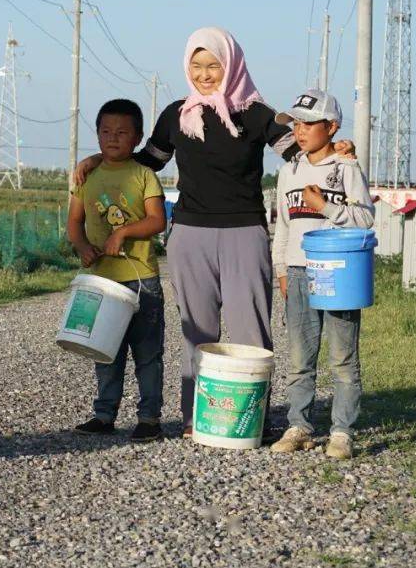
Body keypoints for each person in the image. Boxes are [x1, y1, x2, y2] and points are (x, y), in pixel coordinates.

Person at [75, 27, 354, 437]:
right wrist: (102, 156)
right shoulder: (176, 114)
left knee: (250, 330)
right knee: (197, 329)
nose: (205, 74)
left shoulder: (256, 113)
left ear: (232, 64)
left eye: (214, 65)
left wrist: (337, 150)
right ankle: (196, 418)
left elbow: (300, 152)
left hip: (244, 231)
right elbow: (147, 161)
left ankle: (250, 417)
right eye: (197, 65)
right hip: (190, 234)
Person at [269, 90, 374, 460]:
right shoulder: (288, 170)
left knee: (343, 358)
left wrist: (324, 206)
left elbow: (365, 218)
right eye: (296, 123)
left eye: (309, 123)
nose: (300, 130)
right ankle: (299, 425)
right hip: (298, 271)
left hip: (339, 271)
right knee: (300, 356)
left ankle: (342, 432)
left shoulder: (346, 167)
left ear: (331, 127)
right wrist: (281, 268)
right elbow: (282, 226)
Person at [68, 99, 168, 442]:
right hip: (102, 281)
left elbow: (158, 220)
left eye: (123, 132)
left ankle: (149, 418)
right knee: (104, 350)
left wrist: (122, 232)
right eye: (106, 131)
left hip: (142, 279)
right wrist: (82, 247)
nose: (113, 138)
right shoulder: (87, 176)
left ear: (138, 137)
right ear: (96, 135)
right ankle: (104, 414)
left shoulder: (144, 175)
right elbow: (74, 223)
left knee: (147, 353)